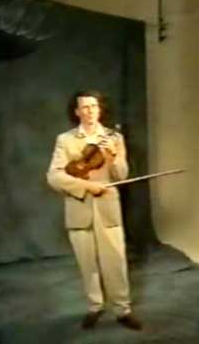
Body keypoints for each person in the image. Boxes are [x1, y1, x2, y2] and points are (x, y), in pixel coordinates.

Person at [47, 90, 142, 331]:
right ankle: (95, 306)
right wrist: (87, 186)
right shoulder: (65, 140)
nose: (90, 111)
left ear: (100, 110)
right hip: (78, 209)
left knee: (115, 262)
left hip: (108, 210)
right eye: (84, 107)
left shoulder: (114, 138)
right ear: (77, 112)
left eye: (94, 106)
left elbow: (121, 176)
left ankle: (122, 309)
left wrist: (113, 157)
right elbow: (54, 177)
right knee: (87, 264)